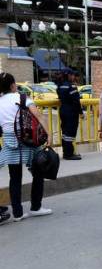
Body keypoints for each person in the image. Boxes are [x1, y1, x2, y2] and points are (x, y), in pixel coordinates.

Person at [0, 72, 53, 222]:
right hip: (28, 140)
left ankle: (18, 214)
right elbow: (39, 116)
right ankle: (36, 207)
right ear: (13, 85)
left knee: (14, 178)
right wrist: (49, 135)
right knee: (38, 173)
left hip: (10, 141)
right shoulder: (22, 98)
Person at [56, 69, 82, 160]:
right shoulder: (72, 86)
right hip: (71, 112)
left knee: (65, 133)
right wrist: (81, 112)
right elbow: (76, 101)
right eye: (72, 75)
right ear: (69, 75)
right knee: (70, 133)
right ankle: (69, 154)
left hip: (63, 111)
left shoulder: (60, 86)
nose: (73, 77)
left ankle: (65, 152)